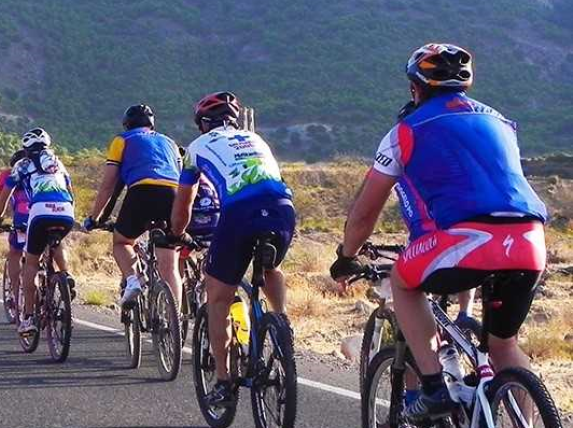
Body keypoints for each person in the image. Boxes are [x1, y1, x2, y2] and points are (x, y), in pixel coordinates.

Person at [329, 44, 547, 421]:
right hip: (530, 239)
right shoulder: (501, 121)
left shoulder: (405, 130)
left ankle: (433, 387)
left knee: (403, 281)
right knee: (504, 346)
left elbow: (365, 214)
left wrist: (347, 256)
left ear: (416, 88)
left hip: (467, 239)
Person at [171, 92, 296, 408]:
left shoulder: (197, 149)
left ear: (203, 124)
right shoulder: (256, 139)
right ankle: (282, 328)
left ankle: (224, 381)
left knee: (218, 298)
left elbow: (184, 202)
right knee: (270, 268)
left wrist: (177, 233)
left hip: (240, 212)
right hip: (282, 207)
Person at [84, 104, 182, 305]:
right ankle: (175, 324)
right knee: (170, 264)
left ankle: (133, 280)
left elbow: (108, 185)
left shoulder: (122, 140)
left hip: (141, 192)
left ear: (127, 124)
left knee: (122, 242)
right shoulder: (170, 142)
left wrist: (94, 217)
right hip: (173, 194)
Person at [0, 129, 76, 335]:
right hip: (66, 211)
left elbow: (6, 194)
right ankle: (65, 275)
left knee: (31, 262)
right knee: (58, 241)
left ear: (26, 148)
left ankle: (29, 317)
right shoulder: (59, 163)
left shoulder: (22, 165)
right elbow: (70, 189)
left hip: (40, 211)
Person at [0, 149, 30, 316]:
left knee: (15, 252)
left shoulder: (8, 174)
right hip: (54, 213)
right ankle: (60, 277)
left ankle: (17, 294)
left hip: (23, 216)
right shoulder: (43, 169)